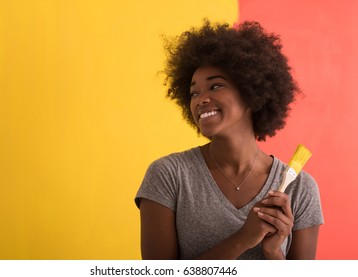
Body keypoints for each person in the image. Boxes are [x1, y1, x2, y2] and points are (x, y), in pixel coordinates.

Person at [135, 20, 323, 260]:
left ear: (250, 91)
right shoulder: (169, 176)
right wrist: (243, 239)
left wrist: (273, 252)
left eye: (215, 86)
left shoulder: (300, 188)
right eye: (194, 93)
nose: (201, 99)